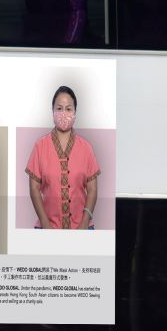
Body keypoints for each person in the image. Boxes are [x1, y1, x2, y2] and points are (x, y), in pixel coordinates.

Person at [25, 84, 103, 230]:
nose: (64, 113)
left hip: (82, 227)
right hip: (47, 227)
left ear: (75, 112)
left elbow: (92, 189)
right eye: (59, 108)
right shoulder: (40, 146)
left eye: (68, 109)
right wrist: (45, 223)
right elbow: (34, 188)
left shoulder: (86, 147)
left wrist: (85, 222)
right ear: (52, 111)